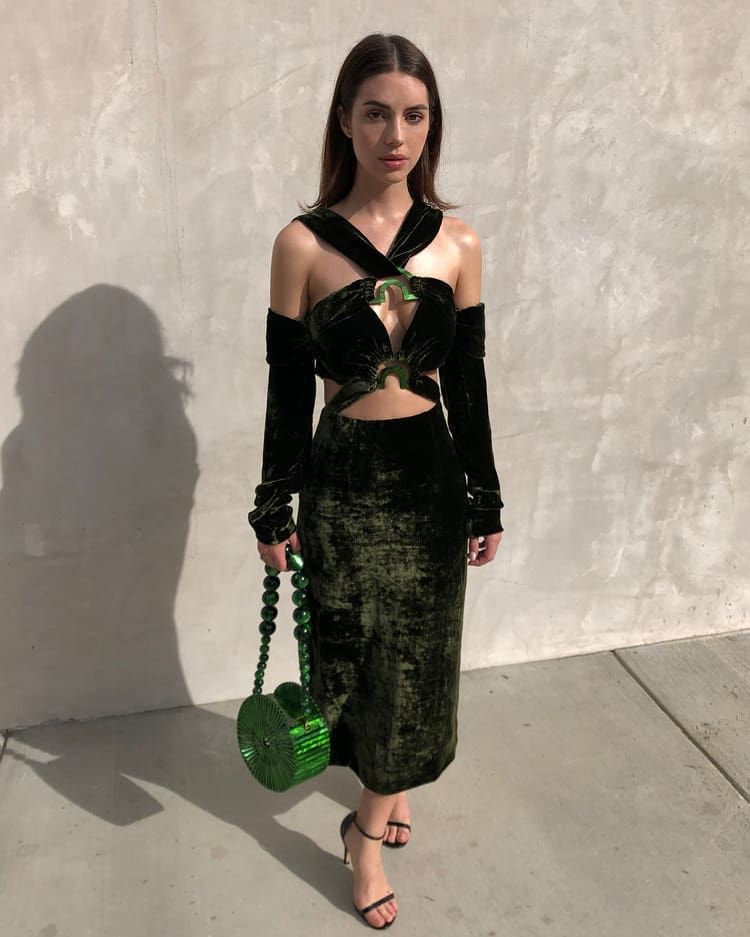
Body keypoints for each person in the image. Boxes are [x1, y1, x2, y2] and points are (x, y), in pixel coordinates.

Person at [247, 33, 504, 930]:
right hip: (345, 484)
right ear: (345, 121)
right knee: (352, 658)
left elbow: (467, 381)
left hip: (430, 478)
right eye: (377, 113)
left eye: (415, 115)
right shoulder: (301, 244)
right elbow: (287, 389)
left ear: (432, 126)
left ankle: (369, 821)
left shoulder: (459, 242)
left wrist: (485, 493)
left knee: (421, 660)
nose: (397, 135)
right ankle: (378, 804)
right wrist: (272, 502)